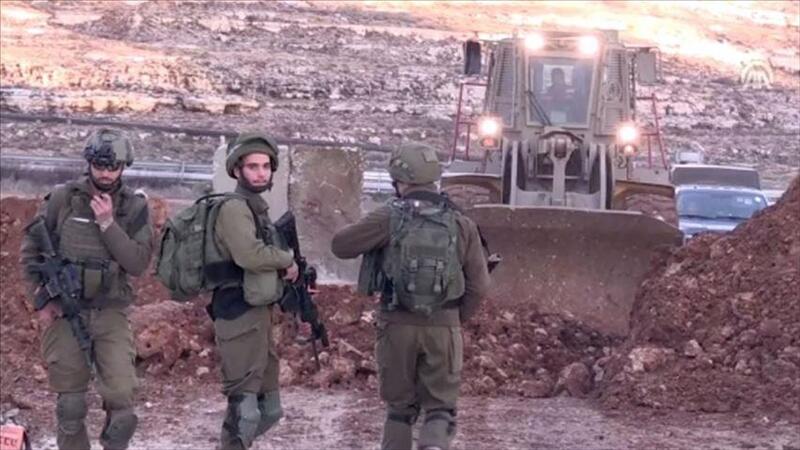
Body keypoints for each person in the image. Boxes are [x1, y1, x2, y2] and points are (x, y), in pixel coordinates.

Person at [331, 142, 491, 450]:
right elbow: (479, 285)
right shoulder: (461, 222)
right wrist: (455, 319)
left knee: (400, 411)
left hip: (396, 324)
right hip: (444, 326)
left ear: (398, 179)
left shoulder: (389, 217)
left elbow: (341, 246)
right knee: (441, 409)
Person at [20, 128, 154, 450]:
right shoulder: (63, 199)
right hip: (65, 313)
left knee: (123, 408)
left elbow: (137, 263)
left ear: (123, 167)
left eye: (113, 167)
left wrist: (108, 224)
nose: (105, 174)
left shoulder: (134, 208)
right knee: (70, 407)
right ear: (89, 163)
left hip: (110, 312)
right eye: (99, 166)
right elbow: (31, 252)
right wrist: (42, 300)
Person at [208, 132, 299, 450]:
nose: (261, 173)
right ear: (237, 170)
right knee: (244, 413)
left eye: (265, 166)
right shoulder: (234, 209)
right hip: (237, 315)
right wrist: (286, 259)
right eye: (252, 166)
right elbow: (249, 255)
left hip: (259, 316)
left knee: (270, 410)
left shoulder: (256, 209)